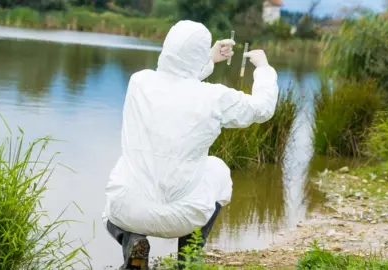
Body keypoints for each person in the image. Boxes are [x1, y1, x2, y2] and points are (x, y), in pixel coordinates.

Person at [102, 20, 279, 270]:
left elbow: (174, 79)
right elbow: (263, 109)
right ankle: (188, 260)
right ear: (197, 56)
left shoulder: (139, 82)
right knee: (217, 170)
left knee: (121, 175)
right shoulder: (214, 97)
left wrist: (209, 59)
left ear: (166, 48)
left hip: (128, 212)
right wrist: (264, 68)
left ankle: (133, 241)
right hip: (183, 218)